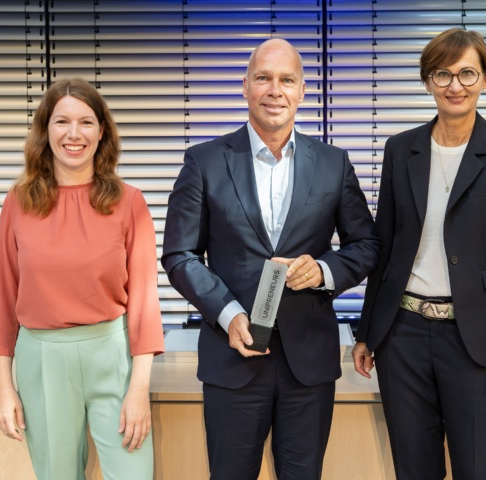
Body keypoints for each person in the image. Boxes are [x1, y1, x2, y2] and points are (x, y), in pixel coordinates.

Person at [162, 38, 379, 480]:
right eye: (263, 77)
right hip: (232, 358)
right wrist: (227, 313)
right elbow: (180, 254)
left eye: (286, 80)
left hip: (308, 365)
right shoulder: (204, 161)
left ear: (302, 91)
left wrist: (323, 270)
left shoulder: (334, 164)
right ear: (245, 86)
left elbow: (367, 245)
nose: (274, 90)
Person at [352, 28, 486, 480]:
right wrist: (367, 331)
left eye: (467, 73)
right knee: (414, 468)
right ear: (427, 81)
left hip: (476, 339)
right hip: (403, 335)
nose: (455, 85)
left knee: (478, 467)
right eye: (442, 74)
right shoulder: (401, 149)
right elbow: (387, 244)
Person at [0, 77, 164, 480]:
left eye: (85, 122)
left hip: (113, 356)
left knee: (133, 473)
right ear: (45, 131)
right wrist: (4, 387)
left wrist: (139, 390)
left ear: (102, 132)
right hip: (41, 359)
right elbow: (4, 297)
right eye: (62, 122)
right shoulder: (18, 203)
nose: (74, 134)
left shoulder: (129, 203)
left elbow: (145, 305)